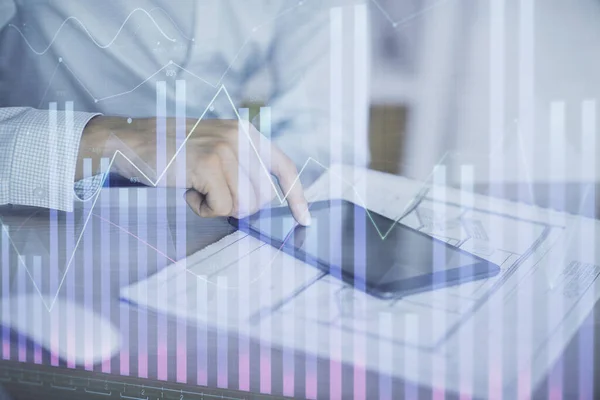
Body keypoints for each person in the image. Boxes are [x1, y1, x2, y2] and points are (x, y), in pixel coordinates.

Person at [0, 0, 369, 225]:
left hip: (215, 235)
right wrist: (105, 141)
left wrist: (249, 192)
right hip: (40, 220)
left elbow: (330, 141)